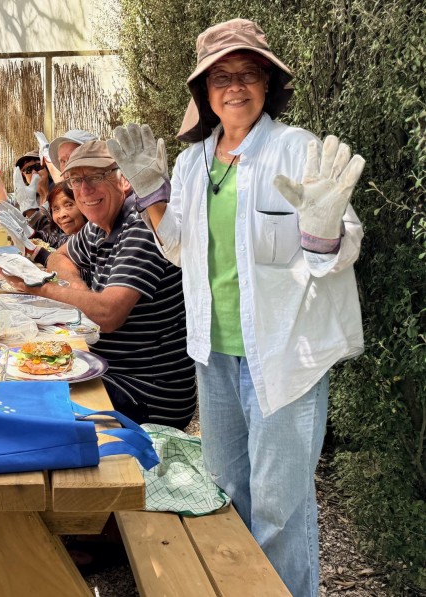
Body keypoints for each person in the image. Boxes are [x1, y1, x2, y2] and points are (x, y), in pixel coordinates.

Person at [107, 19, 365, 597]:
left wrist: (323, 231)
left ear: (267, 83)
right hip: (214, 356)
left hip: (285, 359)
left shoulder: (296, 148)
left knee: (281, 508)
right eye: (221, 76)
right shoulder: (195, 163)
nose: (235, 86)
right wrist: (151, 190)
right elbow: (177, 249)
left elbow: (342, 240)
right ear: (205, 91)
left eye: (247, 73)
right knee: (229, 494)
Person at [0, 139, 197, 429]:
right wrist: (79, 288)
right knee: (14, 381)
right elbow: (58, 258)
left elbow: (109, 315)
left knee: (26, 410)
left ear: (122, 181)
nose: (85, 189)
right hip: (108, 369)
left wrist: (38, 288)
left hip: (149, 393)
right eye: (76, 180)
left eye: (96, 177)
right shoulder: (97, 226)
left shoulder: (141, 226)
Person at [0, 181, 87, 267]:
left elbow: (71, 268)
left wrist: (35, 251)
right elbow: (54, 240)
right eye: (56, 209)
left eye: (69, 205)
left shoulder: (90, 239)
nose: (62, 215)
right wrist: (31, 233)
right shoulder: (67, 236)